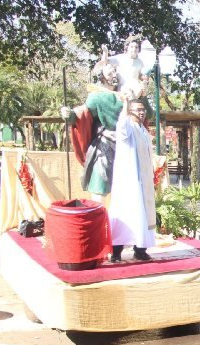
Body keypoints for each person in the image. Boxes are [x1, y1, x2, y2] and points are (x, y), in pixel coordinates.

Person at [62, 63, 123, 200]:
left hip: (126, 144)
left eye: (115, 71)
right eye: (110, 73)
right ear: (102, 77)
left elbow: (145, 114)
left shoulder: (125, 95)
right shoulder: (96, 97)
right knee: (99, 181)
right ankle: (97, 211)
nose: (114, 75)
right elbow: (83, 115)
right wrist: (70, 115)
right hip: (105, 143)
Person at [108, 94, 156, 262]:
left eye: (143, 110)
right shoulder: (127, 126)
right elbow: (121, 125)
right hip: (129, 182)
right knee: (126, 214)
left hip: (144, 182)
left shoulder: (143, 130)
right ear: (129, 111)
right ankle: (116, 252)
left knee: (143, 216)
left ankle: (140, 250)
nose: (141, 113)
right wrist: (125, 103)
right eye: (138, 110)